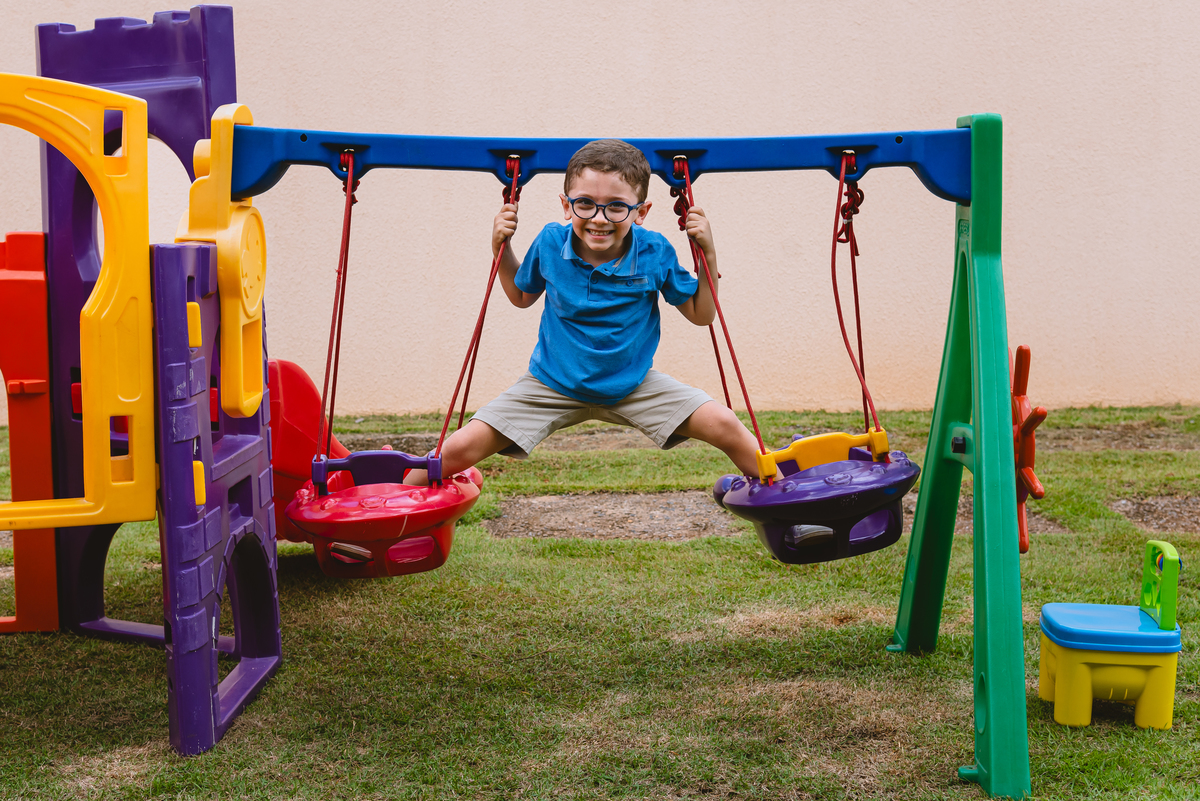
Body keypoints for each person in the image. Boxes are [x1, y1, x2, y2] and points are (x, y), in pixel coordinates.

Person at [405, 139, 760, 485]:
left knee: (725, 424)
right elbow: (520, 295)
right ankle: (392, 497)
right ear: (565, 205)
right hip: (550, 384)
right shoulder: (550, 242)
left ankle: (785, 494)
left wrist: (708, 255)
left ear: (641, 212)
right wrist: (501, 248)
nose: (599, 218)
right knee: (456, 448)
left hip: (632, 384)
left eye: (616, 206)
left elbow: (701, 314)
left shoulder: (655, 252)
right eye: (585, 203)